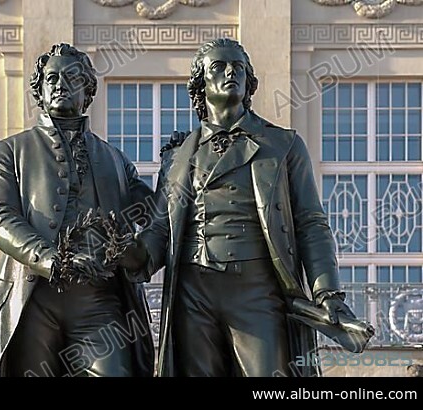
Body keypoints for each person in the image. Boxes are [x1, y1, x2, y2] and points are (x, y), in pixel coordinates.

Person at [124, 38, 357, 377]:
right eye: (218, 67)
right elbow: (161, 230)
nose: (230, 72)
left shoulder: (282, 144)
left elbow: (310, 223)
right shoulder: (177, 155)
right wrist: (130, 252)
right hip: (193, 290)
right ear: (200, 83)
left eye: (239, 67)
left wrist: (328, 291)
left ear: (250, 82)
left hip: (256, 288)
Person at [0, 43, 154, 377]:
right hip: (33, 296)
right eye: (52, 78)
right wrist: (50, 259)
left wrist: (180, 165)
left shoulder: (115, 160)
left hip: (99, 301)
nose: (61, 84)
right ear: (40, 90)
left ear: (87, 90)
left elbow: (156, 213)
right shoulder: (9, 151)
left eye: (72, 78)